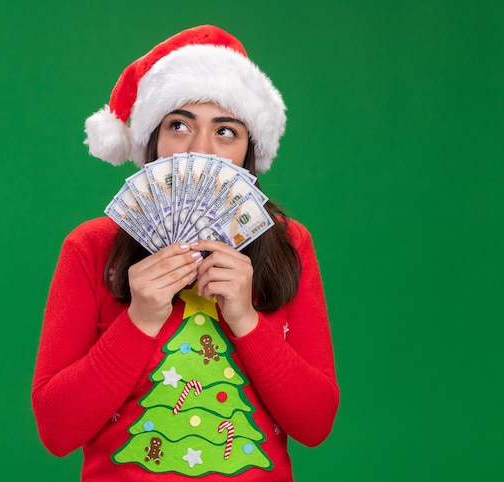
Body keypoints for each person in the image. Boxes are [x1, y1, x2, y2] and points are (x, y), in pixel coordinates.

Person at [32, 25, 339, 481]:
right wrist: (139, 321)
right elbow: (57, 431)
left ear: (249, 155)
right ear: (151, 141)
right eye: (179, 125)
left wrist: (246, 321)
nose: (200, 150)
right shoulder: (92, 248)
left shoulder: (289, 243)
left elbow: (315, 425)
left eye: (226, 131)